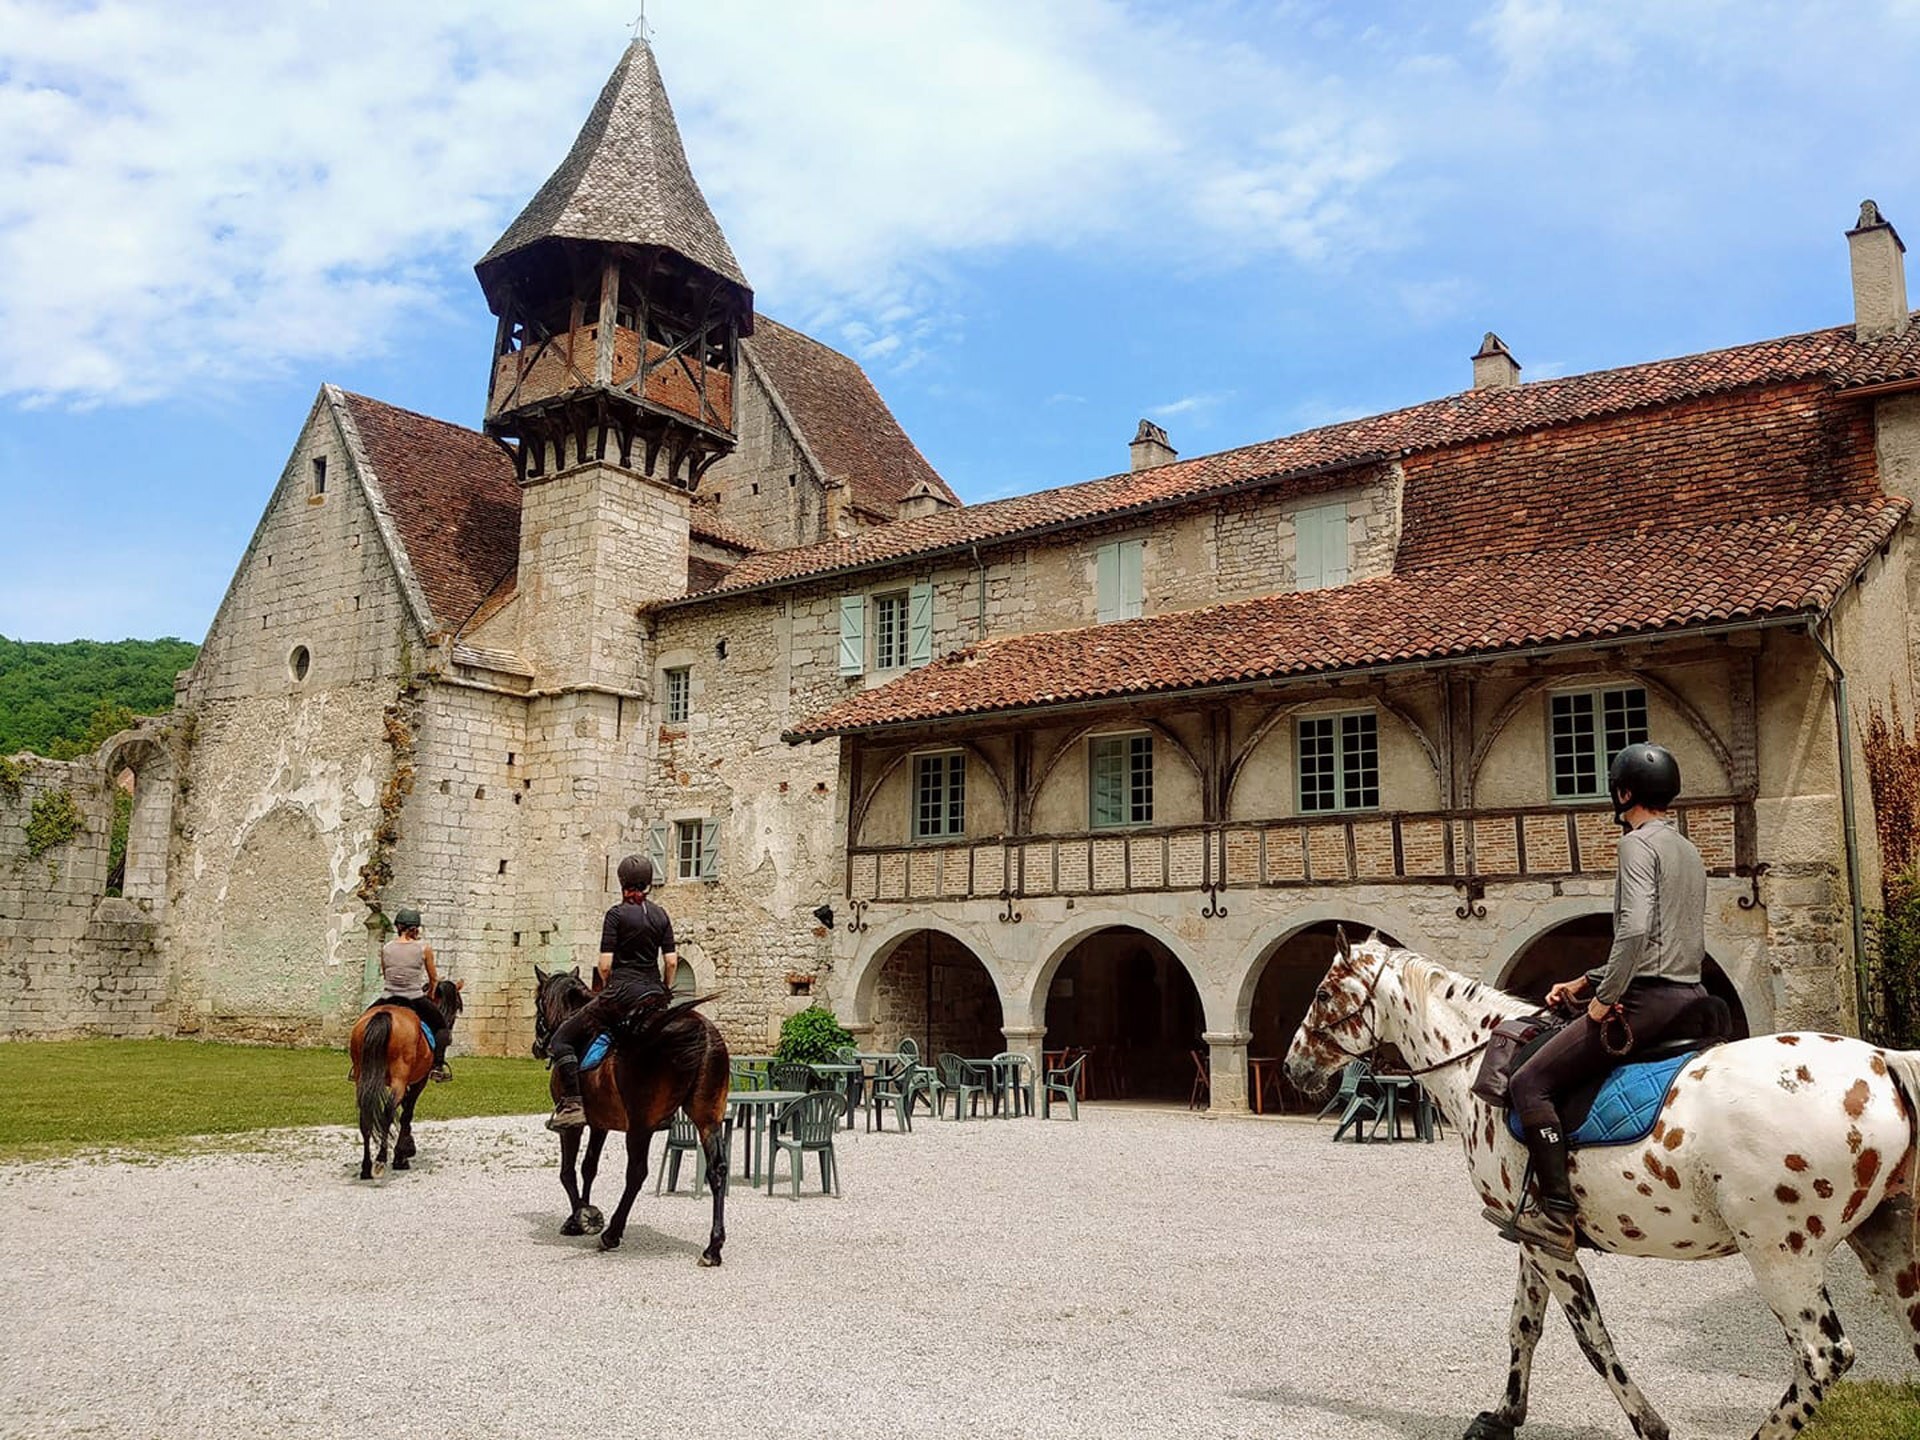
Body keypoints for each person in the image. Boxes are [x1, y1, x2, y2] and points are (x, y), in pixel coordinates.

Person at [1499, 743, 1709, 1255]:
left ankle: (1556, 1213)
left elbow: (1635, 932)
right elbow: (1664, 938)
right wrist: (1585, 981)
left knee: (1530, 1082)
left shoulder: (1636, 844)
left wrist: (1603, 999)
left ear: (1623, 793)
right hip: (1693, 995)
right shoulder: (1688, 850)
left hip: (1648, 1001)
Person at [545, 854, 680, 1131]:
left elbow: (604, 966)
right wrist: (665, 988)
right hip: (654, 996)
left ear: (622, 883)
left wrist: (608, 988)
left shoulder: (616, 915)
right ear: (649, 883)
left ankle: (573, 1104)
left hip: (620, 994)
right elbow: (671, 962)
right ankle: (666, 1106)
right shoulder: (661, 915)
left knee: (561, 1040)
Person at [369, 907, 452, 1082]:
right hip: (414, 998)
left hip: (388, 996)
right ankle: (437, 1066)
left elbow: (385, 974)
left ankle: (359, 1065)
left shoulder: (386, 948)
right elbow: (433, 979)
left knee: (365, 1022)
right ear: (416, 928)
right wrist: (430, 993)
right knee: (442, 1028)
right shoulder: (424, 948)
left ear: (398, 926)